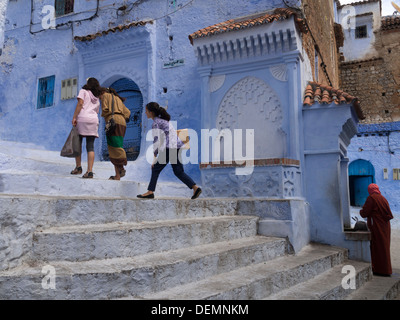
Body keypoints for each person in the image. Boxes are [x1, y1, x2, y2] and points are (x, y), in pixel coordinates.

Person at [137, 102, 202, 199]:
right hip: (176, 147)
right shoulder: (164, 120)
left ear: (151, 112)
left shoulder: (156, 123)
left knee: (155, 168)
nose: (145, 113)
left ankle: (150, 192)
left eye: (146, 111)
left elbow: (156, 140)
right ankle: (195, 188)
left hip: (169, 148)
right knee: (178, 171)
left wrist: (155, 157)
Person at [360, 183, 394, 277]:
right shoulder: (383, 198)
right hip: (385, 226)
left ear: (370, 190)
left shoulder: (371, 198)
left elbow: (365, 213)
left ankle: (379, 269)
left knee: (377, 246)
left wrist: (361, 211)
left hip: (376, 226)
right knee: (384, 246)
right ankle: (386, 269)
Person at [71, 77, 102, 178]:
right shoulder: (97, 97)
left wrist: (74, 117)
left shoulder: (83, 91)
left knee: (78, 144)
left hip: (83, 118)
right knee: (90, 146)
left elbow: (80, 104)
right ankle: (89, 171)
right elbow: (97, 111)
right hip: (93, 119)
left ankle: (78, 167)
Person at [100, 87, 131, 180]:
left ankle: (121, 165)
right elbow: (128, 112)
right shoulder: (118, 99)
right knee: (114, 146)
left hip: (113, 121)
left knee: (114, 147)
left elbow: (105, 109)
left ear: (103, 92)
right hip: (122, 122)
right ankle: (117, 175)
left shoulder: (105, 96)